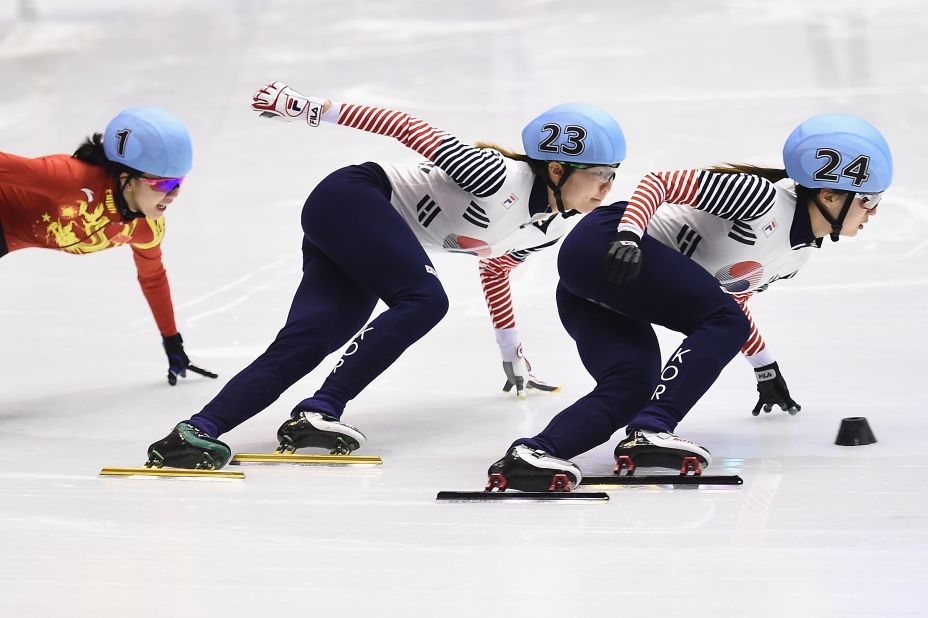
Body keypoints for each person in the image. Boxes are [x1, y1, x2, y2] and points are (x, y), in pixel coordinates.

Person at [145, 81, 626, 470]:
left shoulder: (549, 228)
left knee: (309, 338)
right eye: (600, 174)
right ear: (558, 169)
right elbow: (404, 125)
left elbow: (496, 271)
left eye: (615, 176)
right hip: (354, 196)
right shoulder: (495, 177)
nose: (607, 189)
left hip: (364, 231)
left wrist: (511, 352)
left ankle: (195, 432)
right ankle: (321, 408)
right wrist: (303, 107)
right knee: (424, 298)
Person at [488, 113, 893, 491]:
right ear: (830, 194)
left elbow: (730, 304)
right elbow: (658, 183)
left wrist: (764, 368)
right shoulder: (759, 198)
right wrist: (629, 235)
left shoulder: (795, 256)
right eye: (868, 200)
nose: (873, 212)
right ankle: (652, 429)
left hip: (591, 291)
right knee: (723, 323)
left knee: (632, 386)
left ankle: (534, 452)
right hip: (604, 244)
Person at [0, 107, 216, 386]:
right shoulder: (71, 179)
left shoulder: (146, 228)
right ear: (127, 180)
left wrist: (172, 340)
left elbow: (152, 277)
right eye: (165, 182)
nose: (174, 193)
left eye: (180, 181)